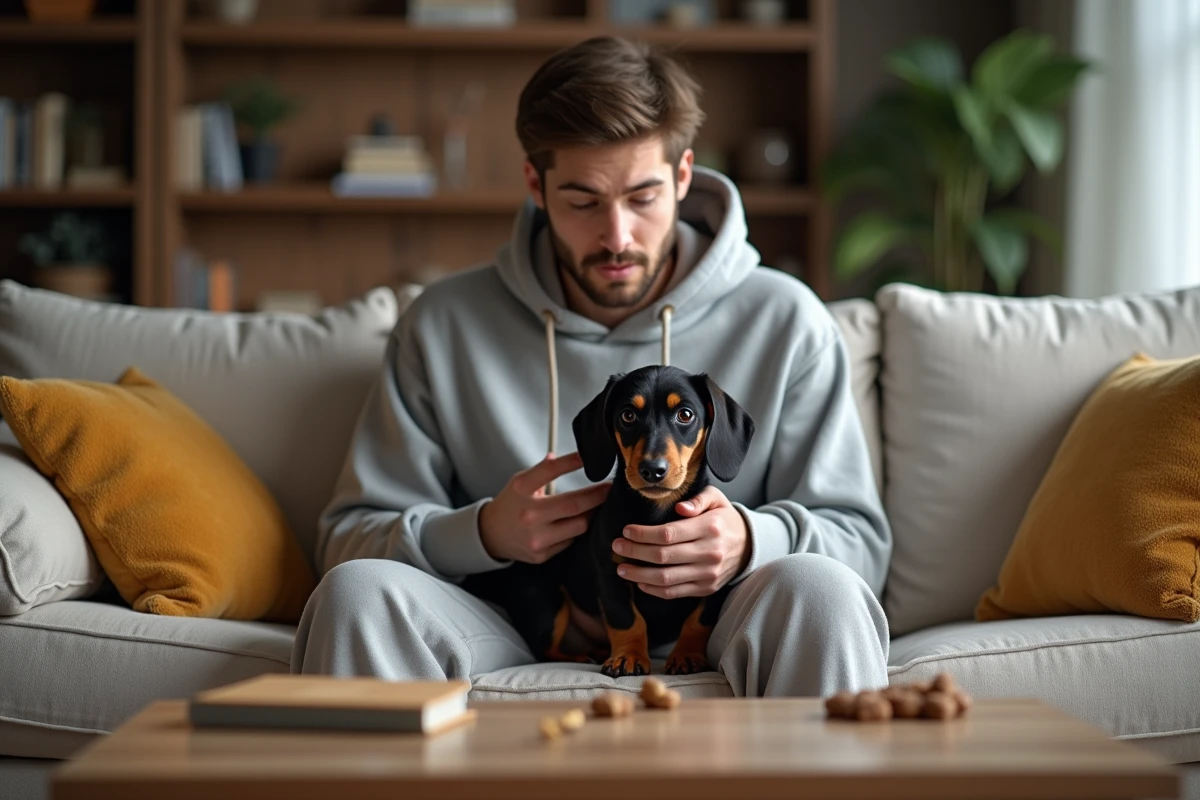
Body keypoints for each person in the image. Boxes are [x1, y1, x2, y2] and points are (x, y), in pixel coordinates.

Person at [290, 35, 892, 697]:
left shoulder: (787, 319)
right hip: (509, 619)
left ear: (684, 176)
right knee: (357, 593)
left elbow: (860, 544)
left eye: (642, 197)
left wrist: (752, 539)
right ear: (535, 186)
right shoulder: (440, 325)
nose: (616, 237)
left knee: (823, 588)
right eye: (582, 201)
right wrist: (483, 533)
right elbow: (345, 542)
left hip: (720, 622)